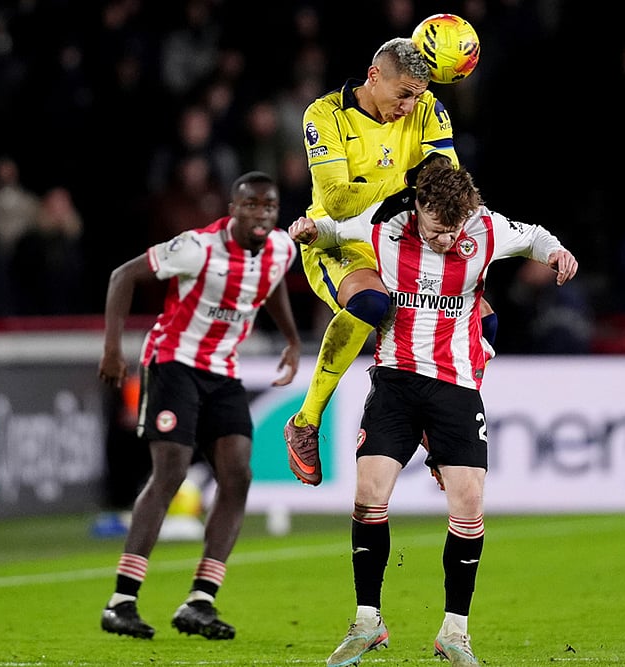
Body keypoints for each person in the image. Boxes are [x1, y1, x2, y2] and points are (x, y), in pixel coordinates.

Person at [288, 159, 578, 667]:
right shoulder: (386, 221)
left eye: (454, 230)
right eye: (438, 231)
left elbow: (534, 236)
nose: (446, 241)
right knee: (368, 494)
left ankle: (455, 633)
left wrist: (556, 252)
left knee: (468, 506)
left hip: (456, 387)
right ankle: (367, 621)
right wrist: (310, 230)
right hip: (396, 379)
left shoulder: (484, 227)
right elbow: (335, 229)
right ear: (418, 207)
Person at [284, 36, 496, 487]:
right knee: (371, 305)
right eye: (403, 95)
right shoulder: (325, 115)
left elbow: (447, 183)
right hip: (338, 239)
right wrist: (408, 180)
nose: (408, 106)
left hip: (404, 238)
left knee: (485, 322)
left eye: (417, 96)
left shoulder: (428, 108)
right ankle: (305, 420)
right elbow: (339, 201)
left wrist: (415, 188)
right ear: (374, 77)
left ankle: (437, 425)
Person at [98, 171, 301, 640]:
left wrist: (291, 339)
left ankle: (200, 601)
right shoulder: (197, 247)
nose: (261, 214)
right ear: (233, 208)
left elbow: (270, 286)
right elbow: (122, 275)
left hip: (222, 371)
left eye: (269, 207)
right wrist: (112, 349)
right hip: (173, 363)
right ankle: (122, 600)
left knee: (238, 475)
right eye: (251, 205)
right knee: (170, 470)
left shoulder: (281, 250)